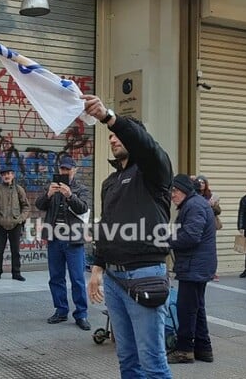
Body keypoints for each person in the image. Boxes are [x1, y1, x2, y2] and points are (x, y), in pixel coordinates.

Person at [83, 95, 173, 379]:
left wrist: (110, 117)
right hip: (114, 280)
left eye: (118, 134)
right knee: (127, 359)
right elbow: (105, 228)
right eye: (110, 136)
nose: (112, 139)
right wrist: (97, 269)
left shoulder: (153, 172)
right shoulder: (109, 183)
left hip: (145, 273)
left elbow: (145, 146)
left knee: (152, 361)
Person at [35, 155, 91, 330]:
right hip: (54, 239)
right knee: (56, 277)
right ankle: (60, 310)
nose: (65, 172)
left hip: (73, 239)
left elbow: (83, 208)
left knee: (77, 278)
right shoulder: (51, 186)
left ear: (74, 170)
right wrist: (48, 194)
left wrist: (70, 195)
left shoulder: (81, 189)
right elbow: (39, 205)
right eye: (62, 169)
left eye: (68, 169)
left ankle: (81, 314)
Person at [167, 174, 217, 364]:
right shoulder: (195, 203)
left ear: (185, 191)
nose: (172, 195)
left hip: (194, 266)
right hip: (197, 265)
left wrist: (167, 240)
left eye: (175, 191)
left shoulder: (194, 205)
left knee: (186, 308)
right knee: (197, 307)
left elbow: (190, 237)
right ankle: (203, 348)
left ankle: (184, 350)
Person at [0, 167, 31, 281]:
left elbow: (26, 206)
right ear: (1, 176)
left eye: (9, 174)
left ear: (13, 175)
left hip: (15, 225)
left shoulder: (19, 189)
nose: (7, 176)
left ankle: (16, 273)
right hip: (0, 224)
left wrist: (21, 218)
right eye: (4, 174)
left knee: (15, 250)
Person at [193, 175, 222, 281]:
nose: (201, 184)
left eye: (203, 182)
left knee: (211, 248)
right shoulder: (193, 195)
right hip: (198, 224)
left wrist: (211, 205)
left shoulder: (210, 196)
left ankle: (213, 271)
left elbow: (218, 211)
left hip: (210, 225)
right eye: (199, 182)